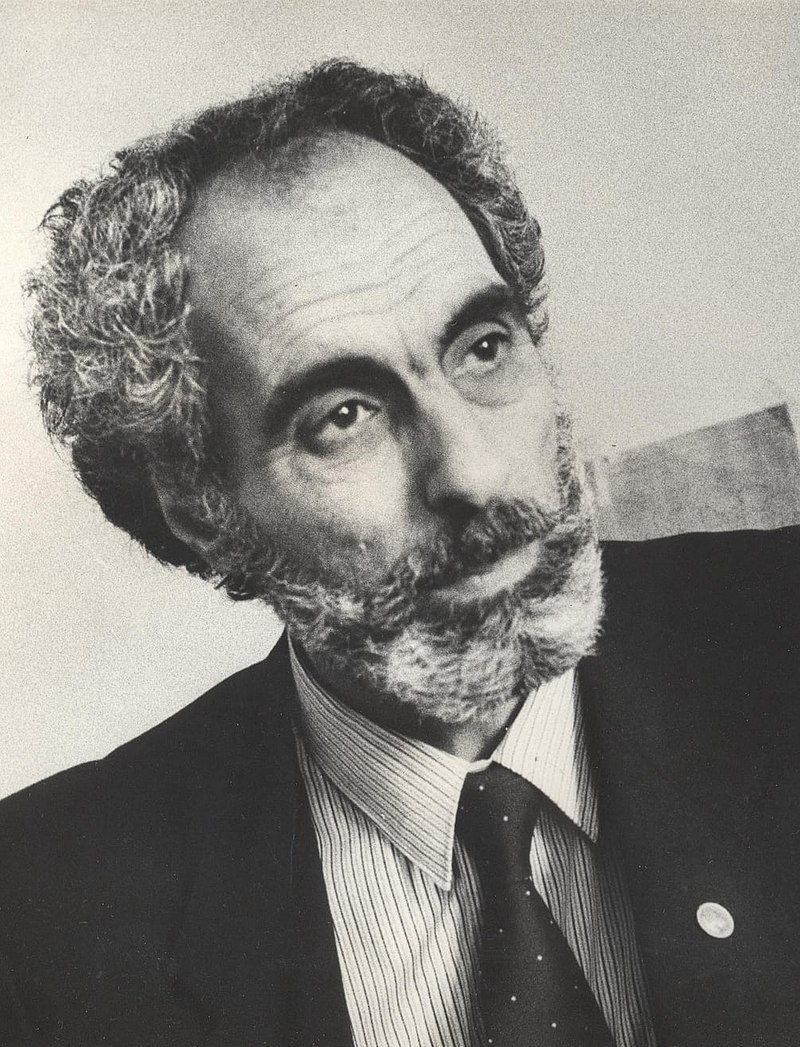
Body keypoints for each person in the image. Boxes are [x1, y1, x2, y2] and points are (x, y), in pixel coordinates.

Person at [1, 59, 797, 1047]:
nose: (472, 472)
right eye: (343, 415)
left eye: (483, 347)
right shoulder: (38, 922)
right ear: (199, 505)